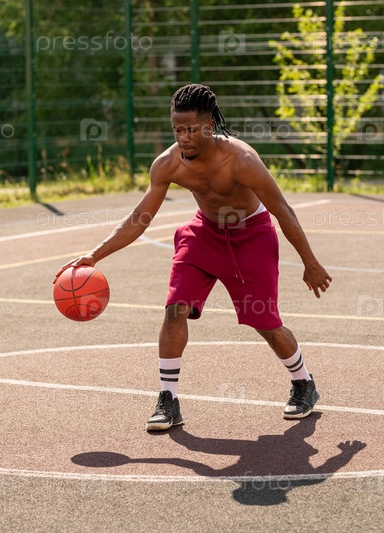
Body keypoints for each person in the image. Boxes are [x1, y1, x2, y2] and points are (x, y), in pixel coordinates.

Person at [54, 83, 332, 431]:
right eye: (177, 129)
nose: (183, 137)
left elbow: (283, 210)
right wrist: (95, 255)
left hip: (251, 235)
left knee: (266, 323)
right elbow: (140, 218)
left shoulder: (242, 160)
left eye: (191, 129)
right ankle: (168, 400)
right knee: (175, 309)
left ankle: (303, 382)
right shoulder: (167, 164)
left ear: (209, 126)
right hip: (204, 234)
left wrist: (310, 262)